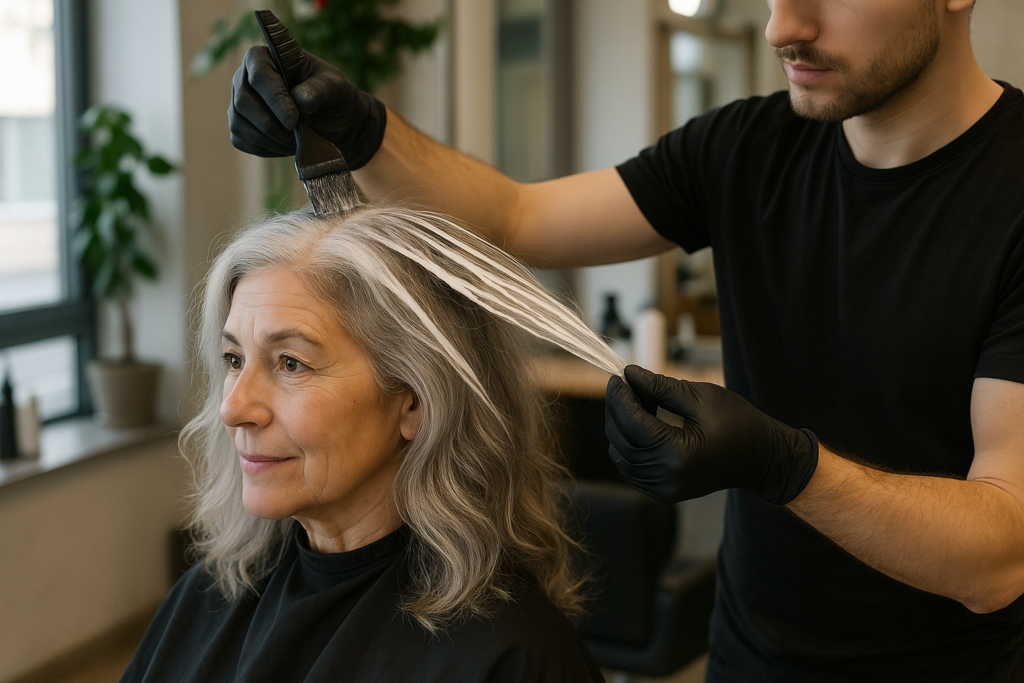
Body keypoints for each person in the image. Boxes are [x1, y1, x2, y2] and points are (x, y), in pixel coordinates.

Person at [227, 0, 1024, 680]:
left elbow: (1000, 555)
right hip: (748, 659)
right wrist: (365, 131)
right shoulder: (746, 148)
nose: (783, 24)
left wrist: (787, 465)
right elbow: (517, 219)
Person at [119, 207, 620, 682]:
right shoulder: (206, 595)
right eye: (233, 359)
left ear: (415, 402)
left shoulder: (513, 657)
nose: (234, 408)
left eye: (290, 363)